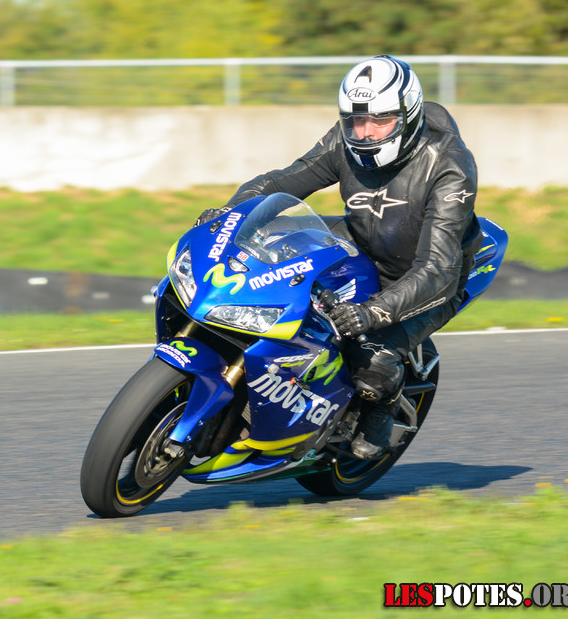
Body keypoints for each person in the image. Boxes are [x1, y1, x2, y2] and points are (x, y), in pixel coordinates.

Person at [196, 55, 482, 460]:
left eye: (380, 121)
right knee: (270, 245)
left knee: (369, 360)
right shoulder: (345, 140)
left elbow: (438, 269)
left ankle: (382, 409)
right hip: (362, 241)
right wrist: (232, 216)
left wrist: (371, 313)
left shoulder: (450, 164)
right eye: (355, 121)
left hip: (430, 277)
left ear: (408, 115)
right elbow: (281, 182)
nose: (365, 133)